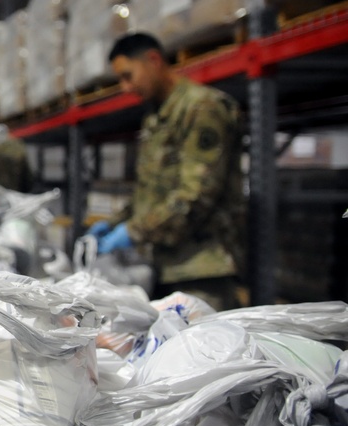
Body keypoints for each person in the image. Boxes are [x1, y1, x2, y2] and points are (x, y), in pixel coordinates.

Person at [89, 33, 245, 311]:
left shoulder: (201, 108)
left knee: (200, 350)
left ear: (153, 60)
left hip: (201, 270)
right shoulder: (156, 118)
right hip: (164, 264)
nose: (125, 87)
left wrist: (134, 231)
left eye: (128, 76)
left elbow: (197, 195)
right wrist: (115, 224)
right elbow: (149, 192)